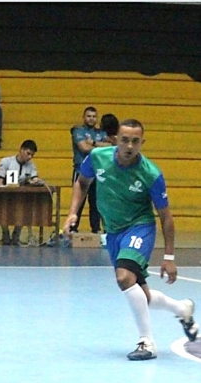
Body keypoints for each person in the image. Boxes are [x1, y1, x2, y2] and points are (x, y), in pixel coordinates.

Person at [63, 118, 198, 361]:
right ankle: (182, 309)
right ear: (116, 140)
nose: (129, 146)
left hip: (140, 227)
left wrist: (169, 257)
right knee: (141, 295)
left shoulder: (151, 174)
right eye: (125, 140)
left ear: (141, 143)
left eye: (135, 141)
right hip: (114, 232)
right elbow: (82, 183)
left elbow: (166, 217)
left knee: (124, 277)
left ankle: (147, 342)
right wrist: (73, 212)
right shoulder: (98, 157)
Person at [0, 139, 44, 246]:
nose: (29, 157)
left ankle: (16, 235)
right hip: (4, 197)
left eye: (32, 155)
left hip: (21, 198)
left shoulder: (31, 165)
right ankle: (5, 233)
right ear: (21, 150)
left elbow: (34, 178)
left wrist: (35, 181)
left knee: (26, 207)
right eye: (28, 153)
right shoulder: (6, 162)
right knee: (2, 208)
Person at [70, 106, 108, 233]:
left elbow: (112, 146)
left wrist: (93, 143)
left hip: (98, 172)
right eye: (88, 116)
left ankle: (96, 230)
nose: (91, 119)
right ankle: (72, 229)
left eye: (94, 116)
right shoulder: (78, 131)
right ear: (83, 117)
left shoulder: (101, 133)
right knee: (78, 202)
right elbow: (83, 148)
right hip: (81, 170)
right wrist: (101, 147)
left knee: (96, 203)